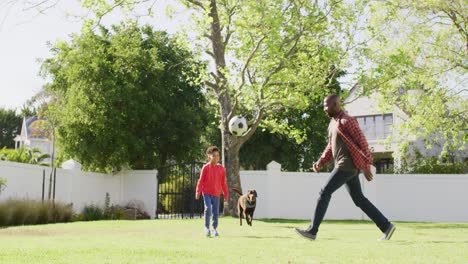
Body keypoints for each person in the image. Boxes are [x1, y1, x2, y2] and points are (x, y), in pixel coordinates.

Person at [295, 94, 396, 241]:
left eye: (326, 105)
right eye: (324, 105)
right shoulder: (333, 123)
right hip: (345, 166)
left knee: (324, 193)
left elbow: (363, 143)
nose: (324, 109)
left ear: (336, 104)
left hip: (346, 165)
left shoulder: (347, 121)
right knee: (359, 199)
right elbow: (330, 147)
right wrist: (320, 162)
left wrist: (366, 165)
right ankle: (386, 226)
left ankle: (312, 231)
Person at [195, 146, 229, 237]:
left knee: (216, 212)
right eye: (214, 155)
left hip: (217, 194)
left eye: (218, 156)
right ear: (209, 156)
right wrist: (198, 191)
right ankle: (206, 228)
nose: (216, 157)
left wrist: (226, 194)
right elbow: (201, 180)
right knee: (208, 209)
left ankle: (214, 229)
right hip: (206, 192)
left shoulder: (221, 169)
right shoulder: (205, 167)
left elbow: (223, 183)